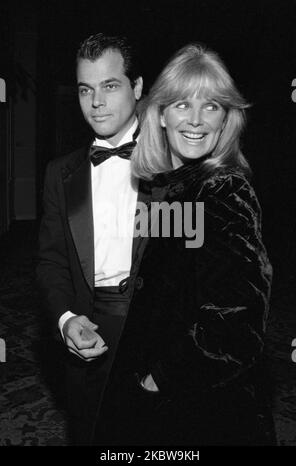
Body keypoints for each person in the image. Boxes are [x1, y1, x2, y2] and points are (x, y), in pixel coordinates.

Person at [116, 42, 274, 445]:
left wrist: (159, 380)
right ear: (161, 114)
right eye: (183, 104)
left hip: (201, 409)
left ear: (226, 121)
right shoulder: (177, 186)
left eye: (212, 107)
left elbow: (236, 327)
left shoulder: (223, 190)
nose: (198, 120)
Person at [37, 32, 144, 445]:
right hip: (90, 326)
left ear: (136, 87)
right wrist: (66, 320)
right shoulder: (59, 175)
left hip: (157, 330)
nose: (96, 102)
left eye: (110, 85)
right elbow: (51, 262)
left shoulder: (177, 164)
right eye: (86, 89)